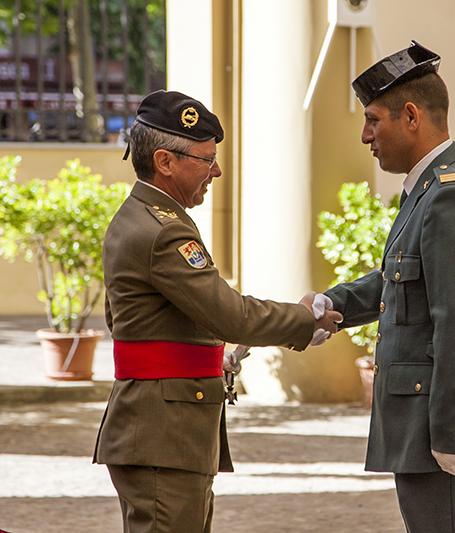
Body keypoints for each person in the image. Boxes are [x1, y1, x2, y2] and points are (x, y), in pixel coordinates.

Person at [93, 90, 342, 532]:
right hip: (163, 437)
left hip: (161, 432)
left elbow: (143, 324)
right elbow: (232, 316)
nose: (217, 170)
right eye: (206, 159)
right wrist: (304, 319)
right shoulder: (163, 231)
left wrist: (209, 355)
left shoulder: (143, 217)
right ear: (165, 162)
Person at [323, 42, 455, 533]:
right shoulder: (429, 188)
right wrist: (330, 304)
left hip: (442, 426)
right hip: (425, 418)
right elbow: (403, 279)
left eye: (374, 120)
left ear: (411, 116)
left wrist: (451, 430)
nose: (365, 135)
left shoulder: (448, 197)